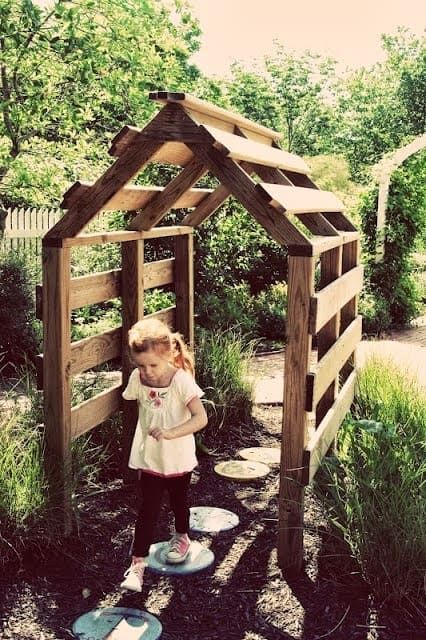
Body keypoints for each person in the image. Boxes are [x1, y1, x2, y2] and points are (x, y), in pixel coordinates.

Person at [120, 317, 208, 592]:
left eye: (153, 365)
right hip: (150, 459)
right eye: (141, 365)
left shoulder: (181, 381)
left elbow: (200, 418)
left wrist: (171, 432)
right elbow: (134, 402)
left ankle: (181, 536)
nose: (147, 372)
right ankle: (137, 566)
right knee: (147, 509)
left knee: (179, 502)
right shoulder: (138, 378)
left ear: (169, 354)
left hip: (178, 458)